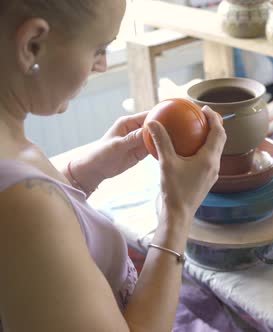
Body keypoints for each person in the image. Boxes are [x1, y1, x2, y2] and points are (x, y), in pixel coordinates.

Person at [0, 1, 239, 331]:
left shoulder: (11, 142)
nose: (102, 65)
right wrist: (177, 213)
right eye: (99, 49)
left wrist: (81, 175)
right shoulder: (21, 208)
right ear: (32, 45)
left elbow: (49, 219)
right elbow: (31, 216)